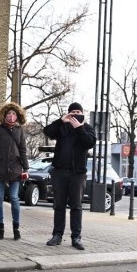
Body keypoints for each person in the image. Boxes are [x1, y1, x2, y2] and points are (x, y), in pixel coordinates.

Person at [43, 102, 96, 250]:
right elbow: (48, 131)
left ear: (82, 113)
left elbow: (90, 143)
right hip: (60, 172)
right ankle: (57, 235)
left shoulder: (87, 128)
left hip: (78, 173)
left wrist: (79, 128)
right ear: (68, 114)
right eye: (72, 112)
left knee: (76, 206)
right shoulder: (62, 126)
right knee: (59, 205)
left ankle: (76, 237)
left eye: (78, 112)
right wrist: (61, 120)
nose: (75, 115)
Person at [0, 102, 29, 240]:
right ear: (4, 116)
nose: (11, 116)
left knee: (14, 198)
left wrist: (26, 168)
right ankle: (1, 228)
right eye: (9, 114)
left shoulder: (19, 131)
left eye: (14, 114)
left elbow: (23, 150)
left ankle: (16, 228)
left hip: (16, 169)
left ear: (18, 116)